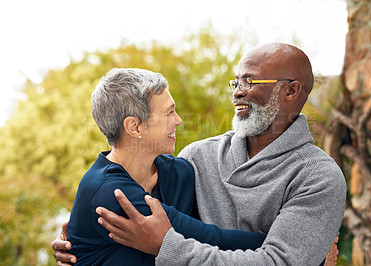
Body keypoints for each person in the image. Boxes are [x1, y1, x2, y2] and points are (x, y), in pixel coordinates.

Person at [53, 43, 346, 265]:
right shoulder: (197, 158)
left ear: (291, 91)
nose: (237, 92)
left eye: (250, 82)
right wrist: (77, 240)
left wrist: (166, 246)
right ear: (134, 126)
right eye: (236, 82)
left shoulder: (319, 177)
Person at [61, 68, 268, 265]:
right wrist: (281, 249)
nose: (178, 121)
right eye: (169, 113)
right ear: (134, 126)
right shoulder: (108, 193)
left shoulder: (180, 174)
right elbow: (210, 238)